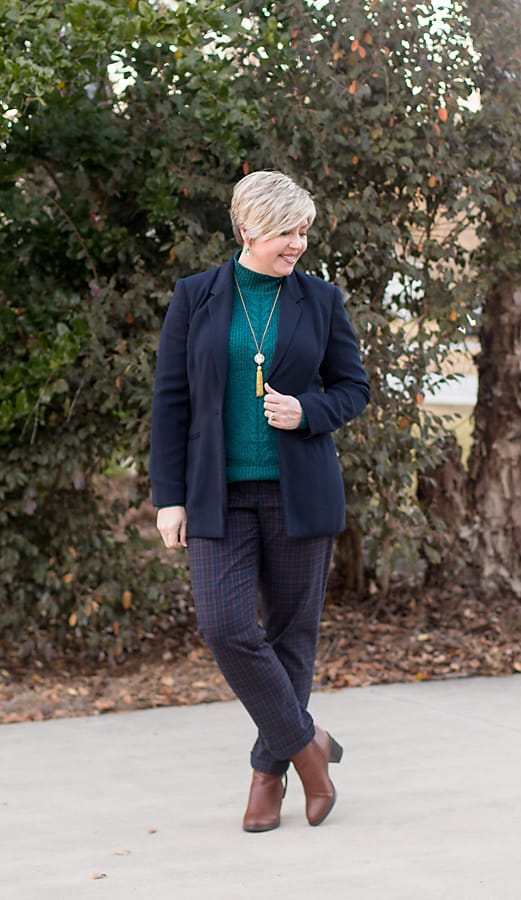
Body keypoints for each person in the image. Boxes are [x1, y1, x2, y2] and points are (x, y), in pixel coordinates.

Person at [150, 170, 369, 832]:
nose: (297, 244)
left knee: (290, 634)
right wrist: (169, 499)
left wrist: (306, 410)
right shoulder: (197, 297)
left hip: (298, 495)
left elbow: (353, 388)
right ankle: (309, 748)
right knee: (224, 627)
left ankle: (265, 777)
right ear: (248, 229)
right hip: (216, 496)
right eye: (285, 232)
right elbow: (171, 401)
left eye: (303, 231)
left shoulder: (320, 300)